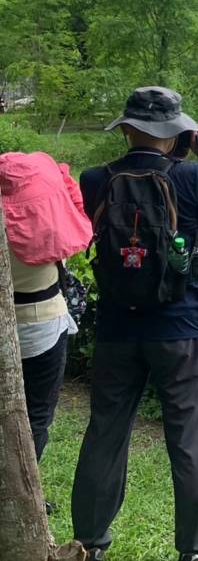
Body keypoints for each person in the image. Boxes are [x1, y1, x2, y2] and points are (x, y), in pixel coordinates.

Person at [73, 87, 198, 561]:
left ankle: (87, 543)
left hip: (115, 328)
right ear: (175, 134)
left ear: (127, 129)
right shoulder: (190, 177)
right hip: (180, 330)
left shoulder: (95, 179)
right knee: (187, 441)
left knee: (104, 432)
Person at [0, 152, 92, 473]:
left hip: (7, 325)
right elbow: (79, 214)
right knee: (37, 414)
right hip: (42, 324)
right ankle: (24, 486)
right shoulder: (49, 223)